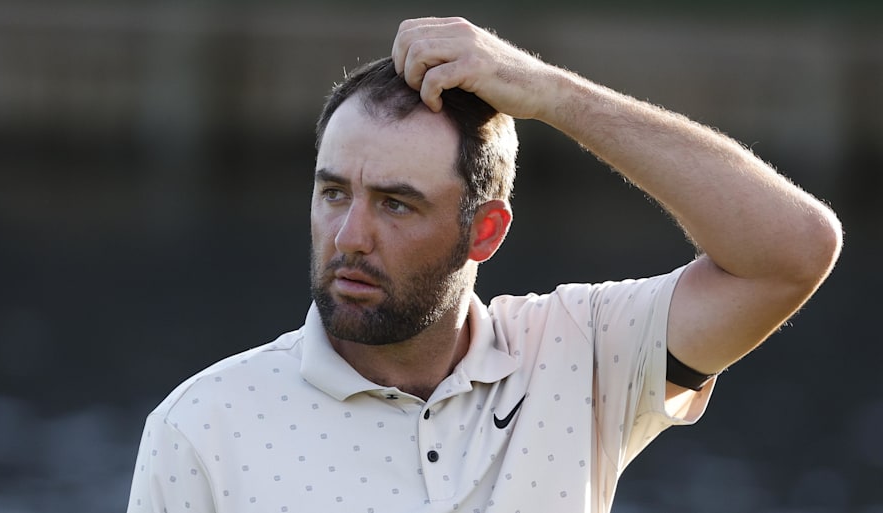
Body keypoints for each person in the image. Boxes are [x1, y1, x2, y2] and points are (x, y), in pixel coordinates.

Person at [126, 16, 842, 513]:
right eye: (333, 192)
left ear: (486, 232)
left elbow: (794, 251)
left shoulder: (582, 352)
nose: (349, 235)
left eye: (396, 204)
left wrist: (552, 94)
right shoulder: (203, 428)